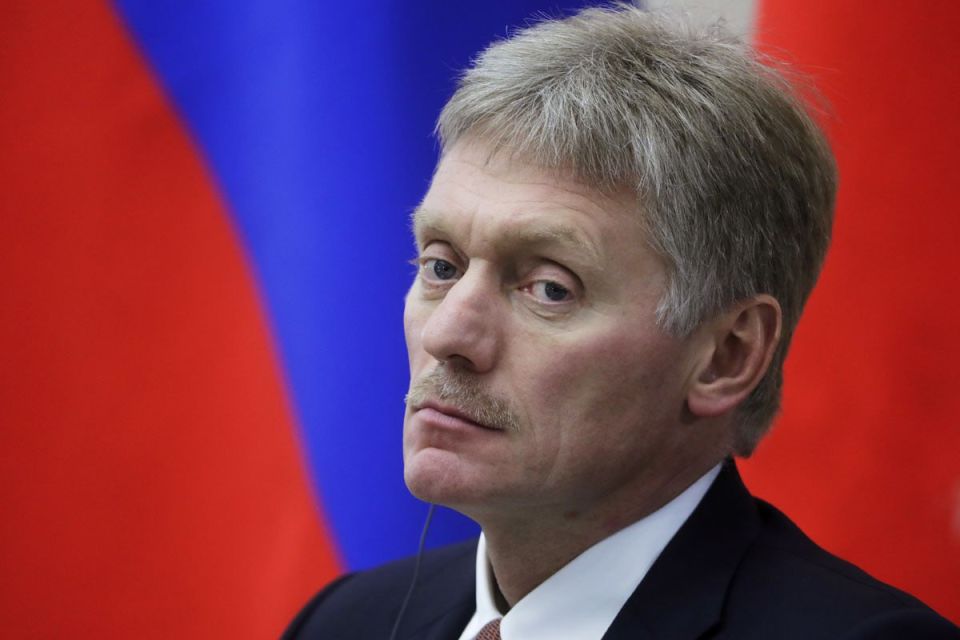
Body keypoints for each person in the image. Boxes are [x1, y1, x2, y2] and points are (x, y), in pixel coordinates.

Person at [284, 5, 959, 639]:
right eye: (441, 266)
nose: (447, 336)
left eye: (549, 288)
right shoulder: (346, 622)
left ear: (725, 355)